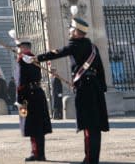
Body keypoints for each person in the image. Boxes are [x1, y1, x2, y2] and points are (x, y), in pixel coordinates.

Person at [31, 17, 109, 164]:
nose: (69, 31)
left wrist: (36, 58)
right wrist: (102, 88)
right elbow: (100, 69)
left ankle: (90, 159)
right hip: (95, 88)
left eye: (71, 29)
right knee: (95, 126)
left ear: (77, 32)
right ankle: (93, 158)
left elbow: (56, 53)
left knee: (88, 124)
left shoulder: (74, 45)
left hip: (85, 89)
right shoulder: (93, 47)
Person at [15, 37, 52, 162]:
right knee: (39, 128)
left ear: (22, 47)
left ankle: (36, 153)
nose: (18, 50)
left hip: (28, 96)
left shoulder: (22, 60)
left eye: (19, 48)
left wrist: (19, 99)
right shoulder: (35, 59)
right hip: (38, 93)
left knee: (33, 127)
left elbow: (20, 82)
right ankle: (40, 153)